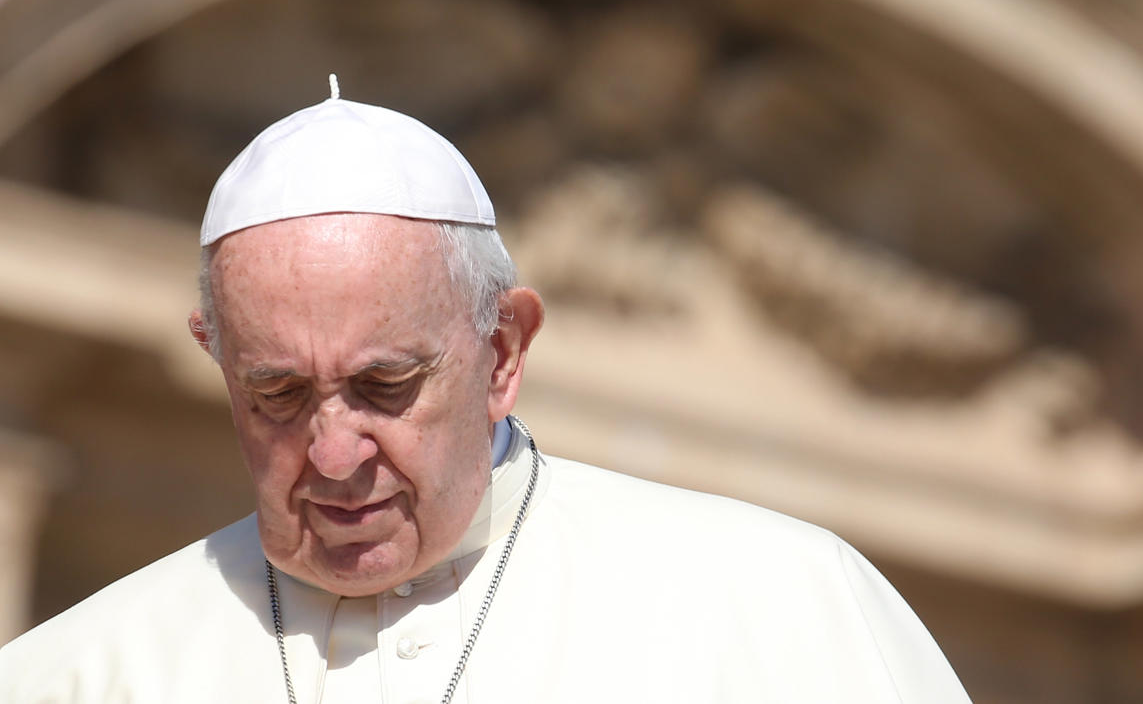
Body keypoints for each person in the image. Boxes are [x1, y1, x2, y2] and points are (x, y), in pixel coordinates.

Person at [0, 80, 971, 703]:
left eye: (385, 385)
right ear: (214, 358)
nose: (333, 457)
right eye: (279, 396)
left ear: (502, 350)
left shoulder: (778, 604)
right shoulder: (80, 676)